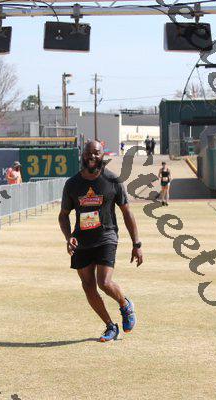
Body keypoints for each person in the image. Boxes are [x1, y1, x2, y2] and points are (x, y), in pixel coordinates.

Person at [58, 140, 143, 342]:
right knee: (88, 286)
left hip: (106, 236)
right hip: (81, 241)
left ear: (102, 155)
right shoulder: (72, 184)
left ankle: (125, 305)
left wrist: (136, 244)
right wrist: (69, 237)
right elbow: (63, 215)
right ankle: (110, 326)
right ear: (83, 155)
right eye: (88, 152)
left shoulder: (113, 181)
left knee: (103, 282)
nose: (92, 156)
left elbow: (127, 212)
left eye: (96, 153)